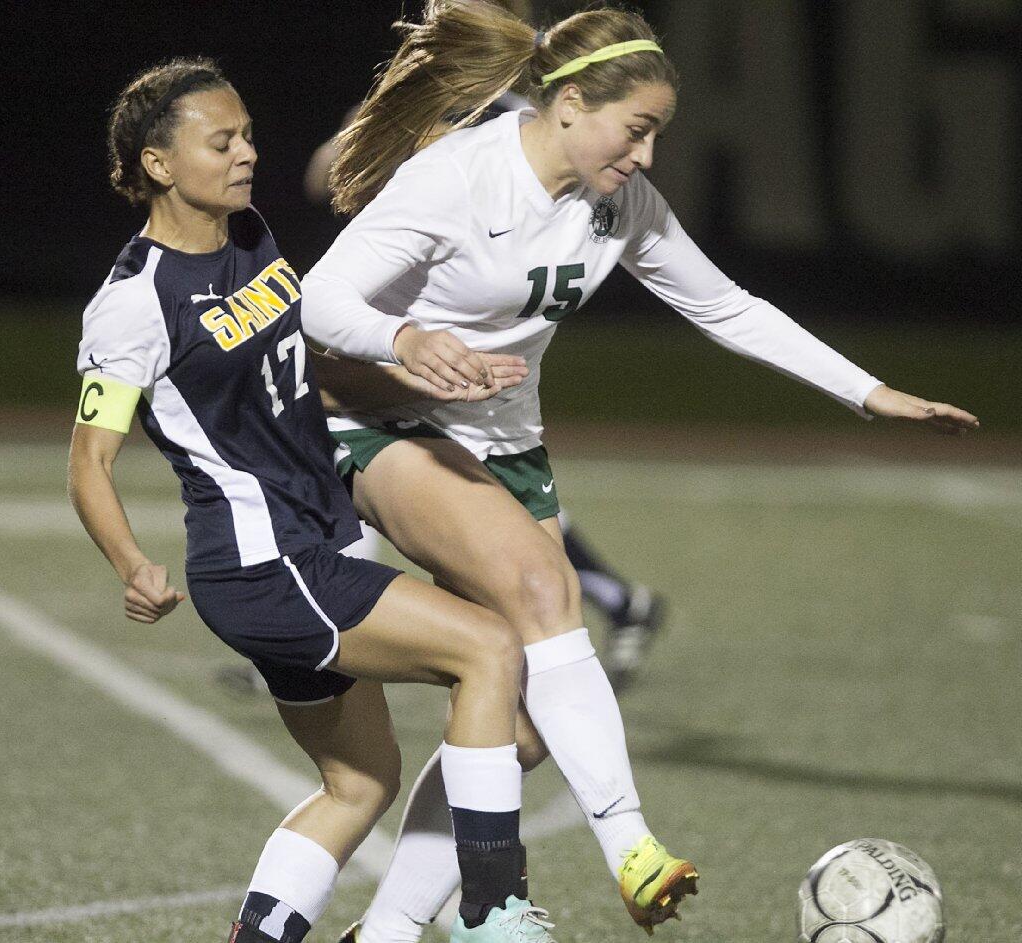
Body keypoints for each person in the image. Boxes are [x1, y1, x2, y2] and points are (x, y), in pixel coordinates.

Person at [298, 3, 980, 941]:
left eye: (656, 134)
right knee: (546, 590)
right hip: (380, 423)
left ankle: (385, 932)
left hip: (504, 441)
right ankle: (631, 843)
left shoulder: (619, 203)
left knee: (521, 724)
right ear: (570, 104)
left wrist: (869, 393)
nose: (647, 156)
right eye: (639, 130)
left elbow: (728, 307)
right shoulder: (458, 176)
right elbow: (320, 299)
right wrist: (406, 337)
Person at [68, 57, 564, 943]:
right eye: (220, 141)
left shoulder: (250, 234)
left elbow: (306, 376)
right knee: (491, 651)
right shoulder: (133, 304)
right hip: (265, 565)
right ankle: (492, 914)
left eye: (248, 134)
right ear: (157, 163)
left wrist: (423, 371)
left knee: (361, 782)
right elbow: (89, 461)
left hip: (309, 552)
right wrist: (132, 563)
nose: (247, 152)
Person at [298, 0, 666, 693]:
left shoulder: (517, 112)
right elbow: (326, 174)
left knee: (468, 494)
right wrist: (389, 125)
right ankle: (612, 600)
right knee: (390, 472)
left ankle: (607, 603)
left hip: (463, 334)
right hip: (394, 314)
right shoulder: (442, 100)